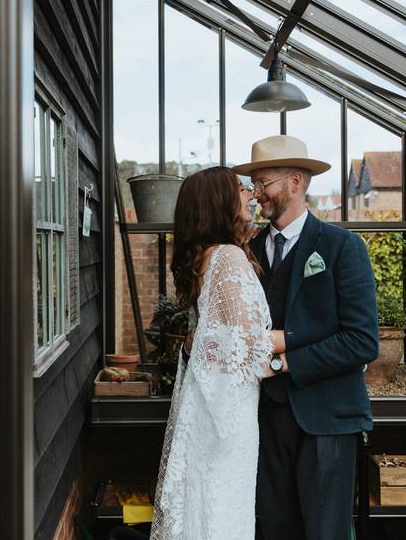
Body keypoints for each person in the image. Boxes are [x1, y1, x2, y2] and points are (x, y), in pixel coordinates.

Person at [233, 135, 379, 540]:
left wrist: (284, 358)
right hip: (264, 419)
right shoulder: (246, 251)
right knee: (276, 529)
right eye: (255, 184)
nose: (257, 193)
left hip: (327, 420)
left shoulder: (342, 248)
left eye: (264, 182)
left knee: (324, 533)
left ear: (295, 181)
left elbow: (362, 341)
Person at [150, 166, 289, 540]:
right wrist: (301, 338)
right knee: (223, 512)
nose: (249, 194)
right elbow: (244, 347)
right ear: (219, 201)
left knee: (208, 505)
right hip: (229, 416)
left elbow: (213, 338)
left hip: (211, 408)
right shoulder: (228, 257)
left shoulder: (206, 258)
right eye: (240, 188)